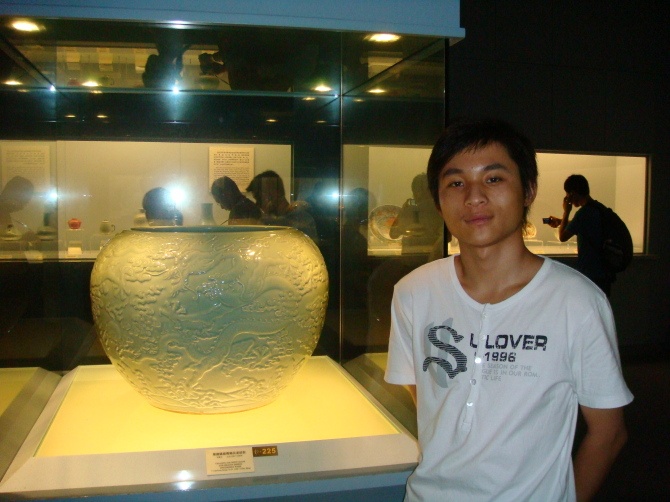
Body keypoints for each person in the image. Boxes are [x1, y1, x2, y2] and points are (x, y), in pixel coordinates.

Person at [384, 118, 633, 501]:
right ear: (438, 200)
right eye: (455, 183)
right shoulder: (414, 292)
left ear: (528, 190)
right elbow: (430, 402)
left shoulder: (576, 301)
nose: (474, 197)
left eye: (493, 179)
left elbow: (609, 433)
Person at [546, 174, 613, 296]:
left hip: (590, 273)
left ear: (572, 193)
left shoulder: (583, 213)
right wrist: (561, 222)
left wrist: (566, 211)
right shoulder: (598, 208)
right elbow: (582, 225)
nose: (567, 197)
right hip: (604, 272)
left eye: (567, 194)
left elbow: (562, 237)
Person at [246, 170, 318, 242]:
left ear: (272, 194)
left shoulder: (300, 219)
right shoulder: (300, 218)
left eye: (259, 198)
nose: (257, 204)